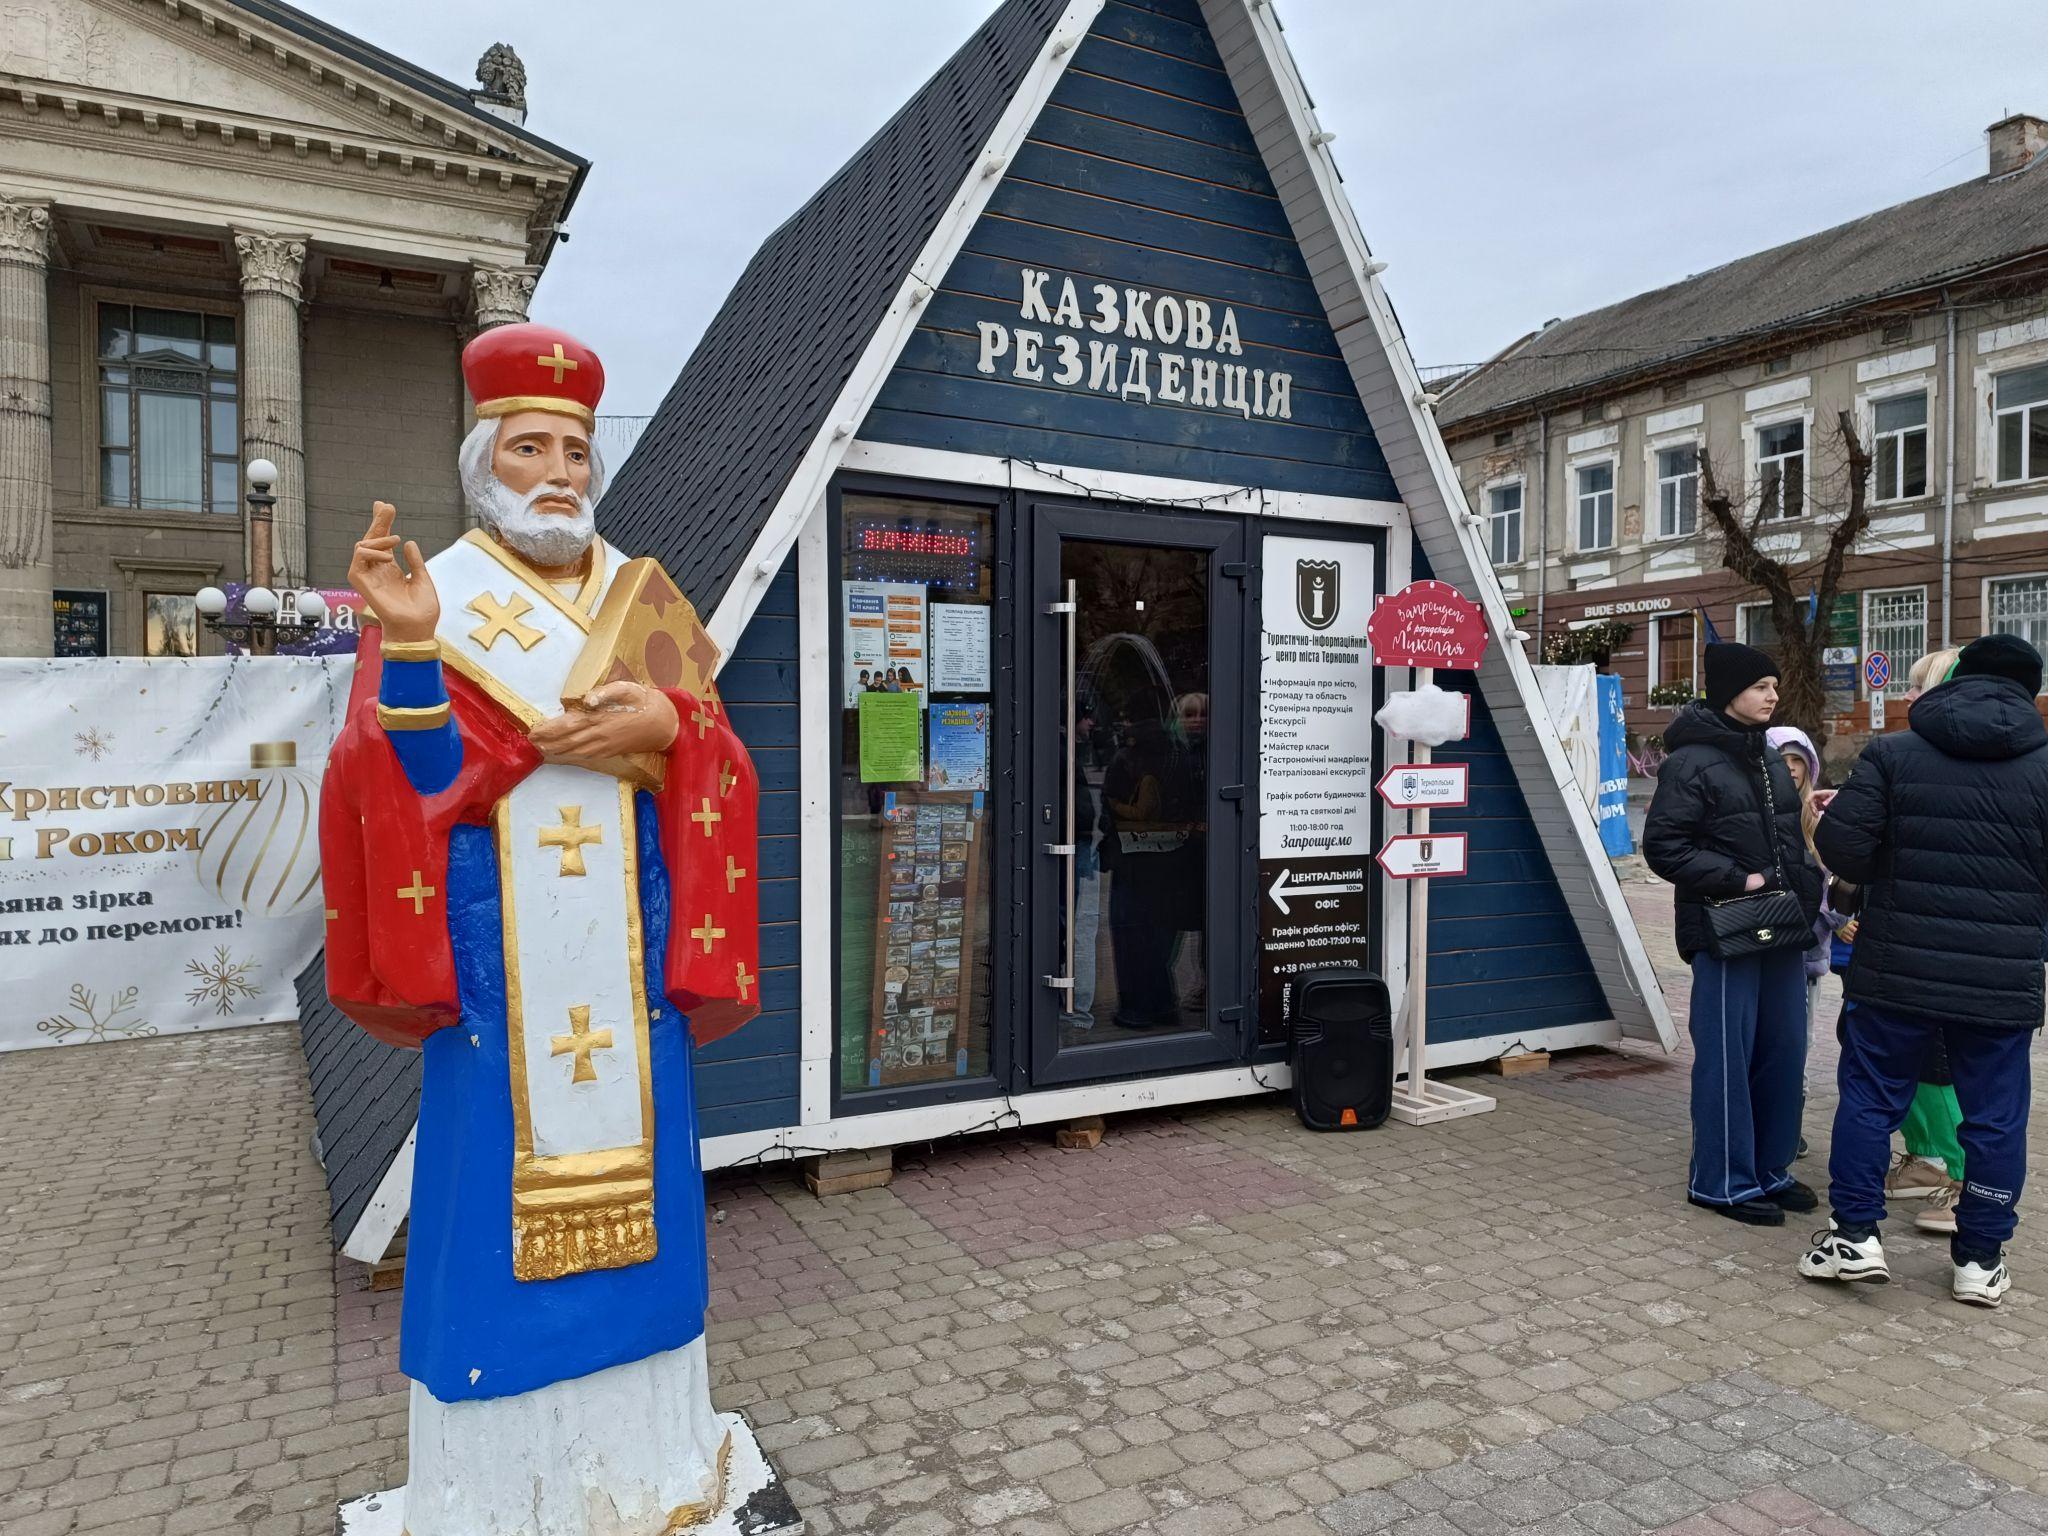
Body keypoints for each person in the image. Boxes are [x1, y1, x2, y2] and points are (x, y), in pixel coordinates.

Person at [323, 324, 763, 1528]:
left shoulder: (643, 600)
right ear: (482, 465)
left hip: (631, 964)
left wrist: (669, 737)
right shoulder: (437, 596)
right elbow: (397, 777)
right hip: (495, 970)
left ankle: (660, 1457)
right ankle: (499, 1487)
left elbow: (724, 761)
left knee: (652, 1192)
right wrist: (409, 641)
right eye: (529, 446)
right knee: (487, 1196)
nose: (559, 470)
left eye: (573, 447)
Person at [1804, 634, 2048, 1307]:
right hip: (2001, 981)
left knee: (1871, 1097)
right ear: (2030, 690)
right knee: (1996, 1119)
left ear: (1957, 680)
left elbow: (1843, 847)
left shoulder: (1894, 752)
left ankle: (1853, 1236)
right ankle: (1979, 1258)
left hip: (1896, 968)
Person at [1644, 642, 1824, 1226]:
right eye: (1761, 687)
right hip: (1724, 927)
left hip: (1783, 926)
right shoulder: (1690, 761)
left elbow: (1787, 839)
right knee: (1726, 1056)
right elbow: (1664, 847)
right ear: (1730, 694)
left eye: (1775, 686)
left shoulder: (1770, 756)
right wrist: (1738, 879)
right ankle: (1721, 1181)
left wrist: (1806, 890)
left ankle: (1770, 1170)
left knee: (1782, 1050)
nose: (1773, 696)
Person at [1877, 647, 1970, 1233]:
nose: (1908, 699)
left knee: (1941, 1063)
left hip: (1953, 939)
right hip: (1913, 933)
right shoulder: (1911, 753)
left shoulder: (1951, 758)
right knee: (1911, 1058)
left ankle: (1958, 1178)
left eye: (1919, 688)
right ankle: (1925, 1160)